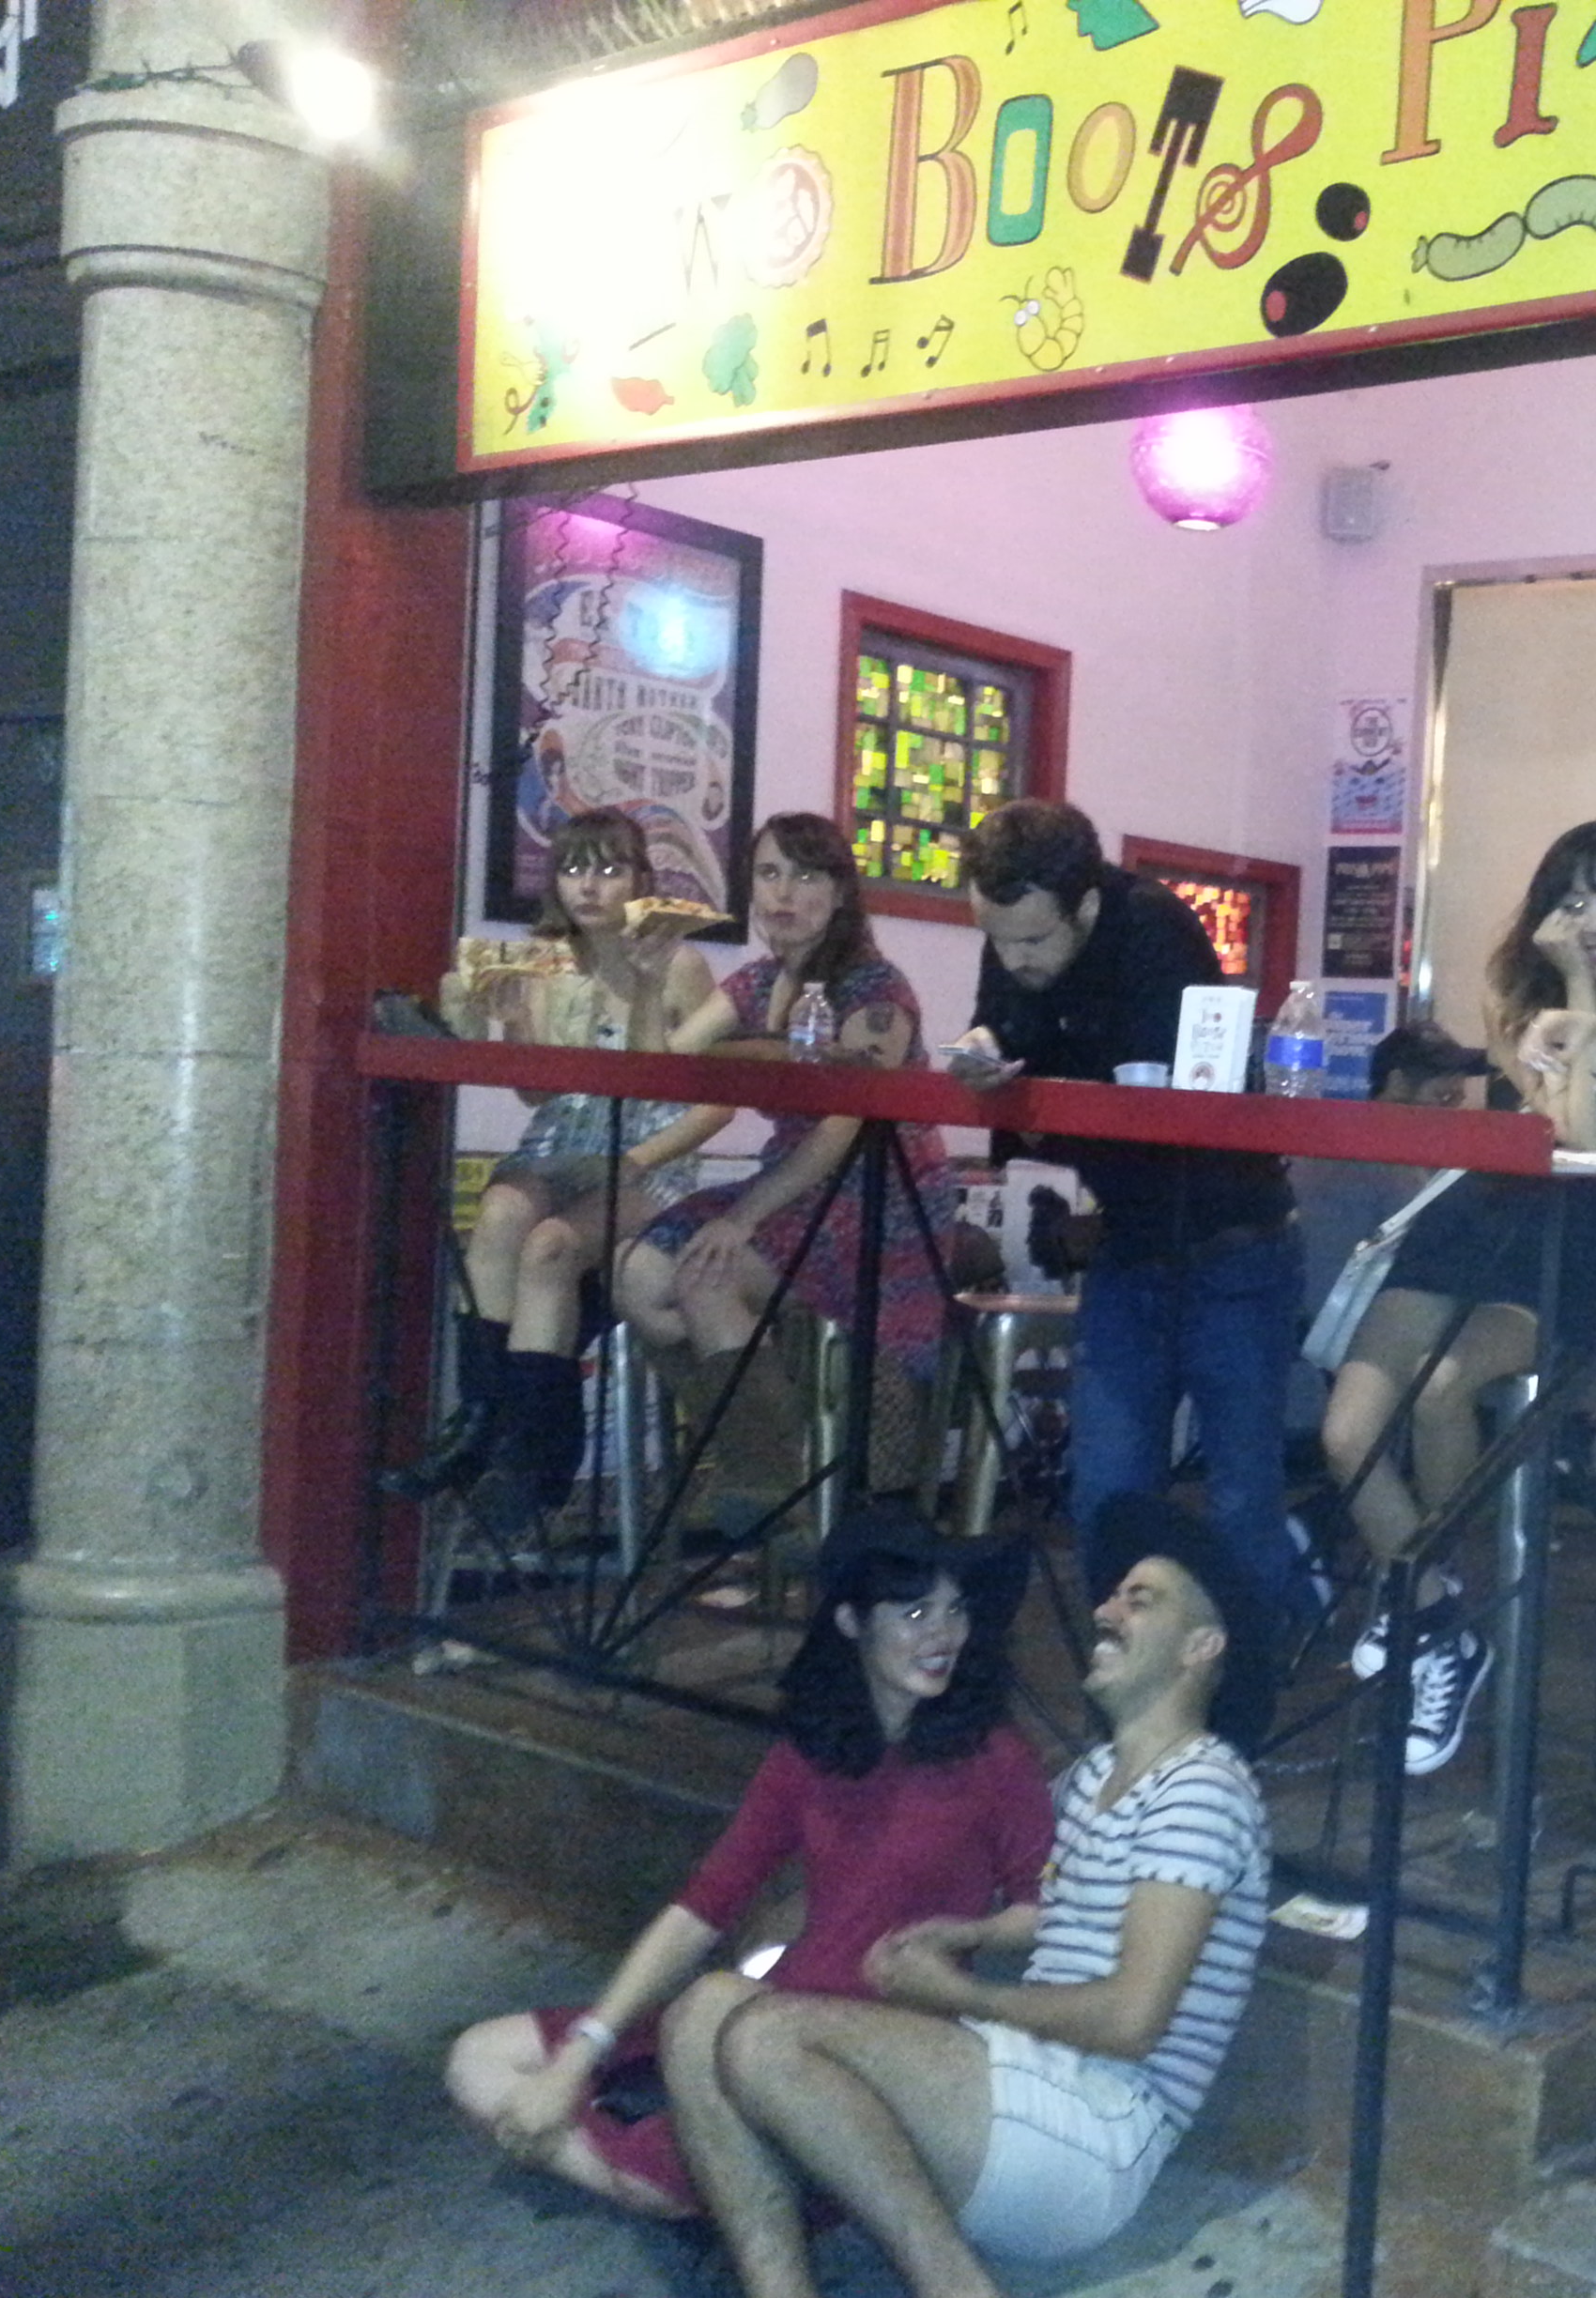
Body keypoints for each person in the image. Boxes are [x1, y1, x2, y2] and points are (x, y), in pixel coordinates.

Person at [667, 1493, 1271, 2298]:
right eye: (1113, 1594)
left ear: (1201, 1646)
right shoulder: (1094, 1777)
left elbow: (1132, 2021)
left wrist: (961, 1995)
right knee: (701, 2013)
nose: (1104, 1610)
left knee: (767, 2040)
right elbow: (1049, 1909)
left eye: (1140, 1599)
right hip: (1025, 2078)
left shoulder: (1201, 1790)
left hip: (1101, 2126)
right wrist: (966, 1932)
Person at [442, 1503, 1051, 2219]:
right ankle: (703, 2167)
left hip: (879, 2046)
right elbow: (704, 1906)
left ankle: (685, 2169)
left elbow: (1043, 1912)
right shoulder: (811, 1752)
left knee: (648, 2178)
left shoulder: (995, 1757)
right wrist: (580, 2054)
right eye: (915, 1614)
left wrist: (970, 1934)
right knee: (477, 2058)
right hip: (767, 2008)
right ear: (852, 1622)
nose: (944, 1635)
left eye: (955, 1611)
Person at [1318, 824, 1596, 1774]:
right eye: (1574, 901)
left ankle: (1432, 1602)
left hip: (1554, 1261)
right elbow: (1551, 1112)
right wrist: (1559, 994)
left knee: (1444, 1388)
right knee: (1346, 1432)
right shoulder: (1514, 997)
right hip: (1458, 1234)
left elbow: (1585, 1137)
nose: (1594, 923)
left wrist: (1578, 991)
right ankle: (1437, 1613)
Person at [944, 800, 1308, 1631]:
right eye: (996, 937)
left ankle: (1256, 1677)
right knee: (1106, 1488)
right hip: (1131, 1240)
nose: (1014, 957)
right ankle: (1122, 1667)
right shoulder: (1018, 919)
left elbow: (1152, 1091)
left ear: (1086, 903)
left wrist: (1025, 1082)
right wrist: (983, 1051)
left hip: (1234, 1240)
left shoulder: (1154, 928)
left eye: (1033, 940)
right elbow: (999, 1029)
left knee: (1241, 1491)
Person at [621, 814, 989, 1530]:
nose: (784, 892)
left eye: (806, 874)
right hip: (792, 1178)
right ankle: (781, 1455)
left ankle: (767, 1482)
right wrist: (645, 984)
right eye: (769, 874)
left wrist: (741, 1218)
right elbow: (655, 1075)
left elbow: (842, 1130)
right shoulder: (757, 982)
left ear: (841, 892)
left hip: (881, 1192)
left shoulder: (875, 988)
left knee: (702, 1277)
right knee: (634, 1276)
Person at [386, 808, 729, 1530]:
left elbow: (717, 1105)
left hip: (645, 1154)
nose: (589, 886)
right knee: (499, 1214)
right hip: (560, 1143)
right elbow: (537, 1093)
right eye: (574, 869)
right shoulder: (546, 959)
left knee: (549, 1247)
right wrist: (513, 1021)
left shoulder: (679, 964)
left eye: (609, 869)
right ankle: (482, 1421)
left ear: (641, 879)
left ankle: (532, 1457)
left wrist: (635, 1159)